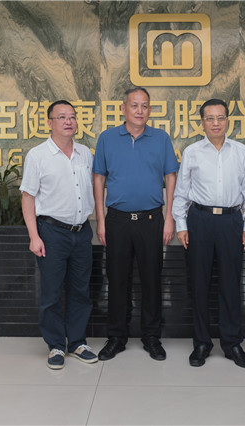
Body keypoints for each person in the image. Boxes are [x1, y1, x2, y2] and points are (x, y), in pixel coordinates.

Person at [93, 87, 178, 361]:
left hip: (151, 220)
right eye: (134, 105)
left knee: (152, 279)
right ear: (123, 108)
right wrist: (101, 220)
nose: (139, 110)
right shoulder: (107, 139)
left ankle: (151, 336)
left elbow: (171, 177)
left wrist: (169, 217)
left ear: (149, 110)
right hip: (117, 220)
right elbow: (98, 179)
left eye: (144, 106)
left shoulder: (161, 139)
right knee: (117, 280)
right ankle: (116, 337)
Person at [173, 98, 245, 368]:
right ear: (202, 122)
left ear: (228, 121)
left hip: (231, 220)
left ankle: (232, 344)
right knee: (199, 283)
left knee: (231, 284)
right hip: (199, 219)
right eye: (210, 118)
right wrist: (181, 224)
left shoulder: (240, 151)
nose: (216, 123)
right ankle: (201, 343)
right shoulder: (192, 151)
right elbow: (181, 192)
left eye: (220, 118)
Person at [20, 100, 98, 369]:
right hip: (51, 232)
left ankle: (77, 342)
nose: (68, 121)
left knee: (80, 290)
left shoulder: (85, 153)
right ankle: (55, 345)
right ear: (49, 123)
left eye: (72, 117)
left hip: (81, 232)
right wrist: (34, 236)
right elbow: (28, 197)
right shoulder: (38, 156)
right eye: (62, 117)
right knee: (52, 292)